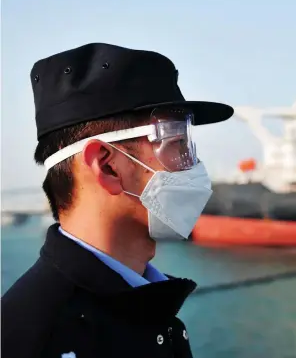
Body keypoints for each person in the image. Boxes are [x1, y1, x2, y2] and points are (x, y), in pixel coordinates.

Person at [1, 42, 234, 358]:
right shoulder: (28, 340)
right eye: (178, 144)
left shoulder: (151, 310)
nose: (193, 166)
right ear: (107, 166)